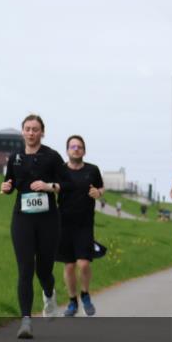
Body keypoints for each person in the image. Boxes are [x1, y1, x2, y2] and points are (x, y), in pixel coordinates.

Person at [0, 114, 72, 339]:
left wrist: (49, 186)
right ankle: (26, 322)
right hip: (22, 217)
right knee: (25, 269)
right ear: (23, 132)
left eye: (35, 129)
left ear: (42, 132)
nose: (31, 133)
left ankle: (49, 294)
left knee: (43, 269)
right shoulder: (15, 157)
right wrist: (5, 187)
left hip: (48, 219)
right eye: (27, 129)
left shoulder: (52, 156)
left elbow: (67, 183)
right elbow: (10, 183)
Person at [57, 135, 104, 317]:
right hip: (64, 224)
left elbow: (101, 188)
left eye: (79, 146)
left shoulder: (92, 170)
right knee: (69, 266)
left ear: (84, 150)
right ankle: (72, 301)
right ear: (67, 150)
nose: (76, 149)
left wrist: (98, 192)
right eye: (72, 146)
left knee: (83, 264)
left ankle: (85, 294)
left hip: (84, 224)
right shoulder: (60, 170)